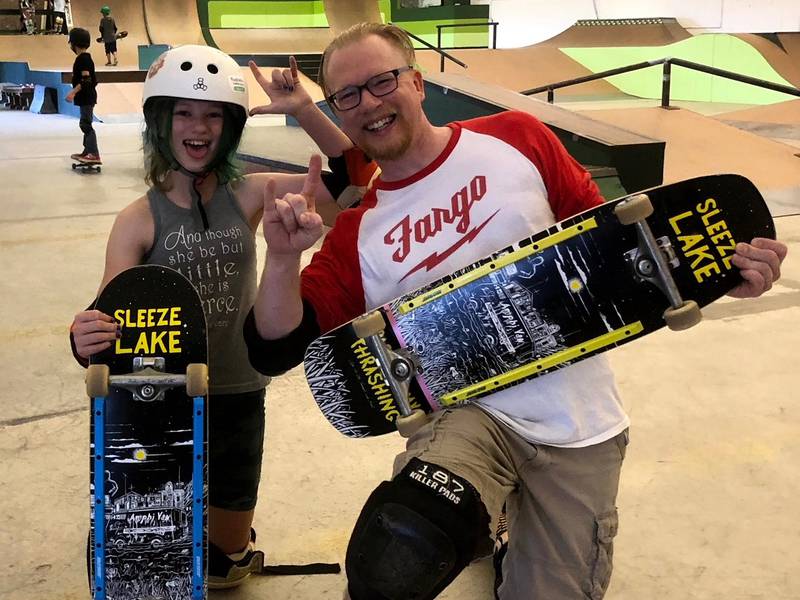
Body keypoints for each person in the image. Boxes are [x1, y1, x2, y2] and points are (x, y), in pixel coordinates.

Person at [243, 22, 789, 600]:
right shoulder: (358, 232)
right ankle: (479, 519)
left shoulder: (516, 138)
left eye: (382, 82)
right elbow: (275, 347)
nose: (368, 104)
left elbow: (617, 247)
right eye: (347, 96)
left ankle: (506, 543)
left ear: (418, 81)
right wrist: (280, 259)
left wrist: (721, 273)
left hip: (577, 418)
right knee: (397, 552)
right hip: (467, 417)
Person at [69, 45, 356, 588]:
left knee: (224, 567)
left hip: (241, 389)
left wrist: (306, 111)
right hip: (163, 403)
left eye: (213, 114)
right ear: (160, 123)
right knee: (157, 543)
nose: (198, 126)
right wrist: (84, 336)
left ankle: (229, 547)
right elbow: (104, 317)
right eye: (183, 112)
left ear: (230, 127)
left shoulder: (250, 193)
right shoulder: (137, 220)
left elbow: (357, 186)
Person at [65, 27, 100, 165]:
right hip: (87, 96)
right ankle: (87, 151)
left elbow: (86, 80)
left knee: (86, 124)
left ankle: (93, 153)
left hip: (86, 97)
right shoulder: (85, 58)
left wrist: (73, 92)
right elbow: (93, 80)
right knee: (85, 123)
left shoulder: (83, 59)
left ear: (74, 43)